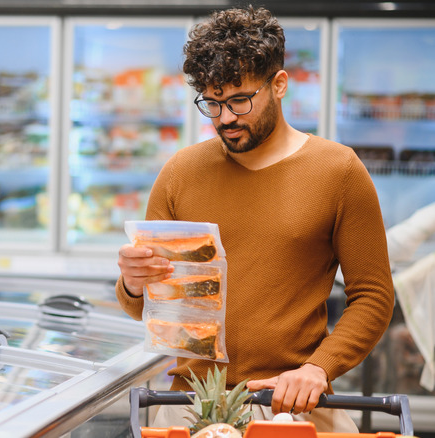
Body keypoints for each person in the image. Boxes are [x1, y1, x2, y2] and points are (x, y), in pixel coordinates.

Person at [115, 5, 394, 432]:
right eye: (212, 102)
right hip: (189, 406)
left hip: (292, 404)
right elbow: (148, 306)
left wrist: (320, 367)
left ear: (279, 85)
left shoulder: (338, 171)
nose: (225, 118)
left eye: (240, 100)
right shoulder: (180, 173)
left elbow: (373, 296)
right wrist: (134, 283)